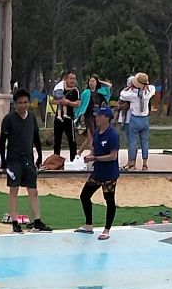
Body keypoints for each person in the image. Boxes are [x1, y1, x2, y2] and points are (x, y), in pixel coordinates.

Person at [0, 88, 47, 233]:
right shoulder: (9, 119)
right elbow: (2, 141)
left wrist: (39, 155)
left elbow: (36, 138)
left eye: (26, 102)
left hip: (28, 158)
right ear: (15, 103)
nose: (23, 105)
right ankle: (15, 221)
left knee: (33, 190)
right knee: (14, 190)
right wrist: (3, 161)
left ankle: (37, 220)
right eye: (20, 103)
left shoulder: (32, 118)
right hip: (14, 159)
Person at [76, 105, 121, 237]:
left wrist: (95, 157)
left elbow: (113, 156)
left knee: (109, 200)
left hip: (109, 174)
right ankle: (88, 224)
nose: (97, 118)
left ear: (107, 118)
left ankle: (107, 230)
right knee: (84, 196)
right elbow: (94, 149)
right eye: (96, 115)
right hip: (98, 172)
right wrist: (89, 156)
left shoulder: (112, 135)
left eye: (100, 116)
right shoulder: (97, 133)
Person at [120, 72, 154, 170]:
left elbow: (122, 95)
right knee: (145, 142)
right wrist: (145, 85)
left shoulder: (132, 94)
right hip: (145, 118)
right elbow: (152, 87)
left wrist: (129, 87)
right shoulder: (149, 91)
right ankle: (144, 164)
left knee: (132, 142)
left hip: (135, 118)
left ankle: (132, 163)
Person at [48, 73, 80, 165]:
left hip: (69, 118)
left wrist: (68, 102)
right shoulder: (60, 89)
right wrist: (60, 101)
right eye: (70, 78)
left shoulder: (75, 91)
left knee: (71, 140)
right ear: (66, 79)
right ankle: (55, 161)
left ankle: (73, 160)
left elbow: (78, 104)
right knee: (57, 140)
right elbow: (52, 101)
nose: (72, 81)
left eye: (74, 79)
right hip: (58, 118)